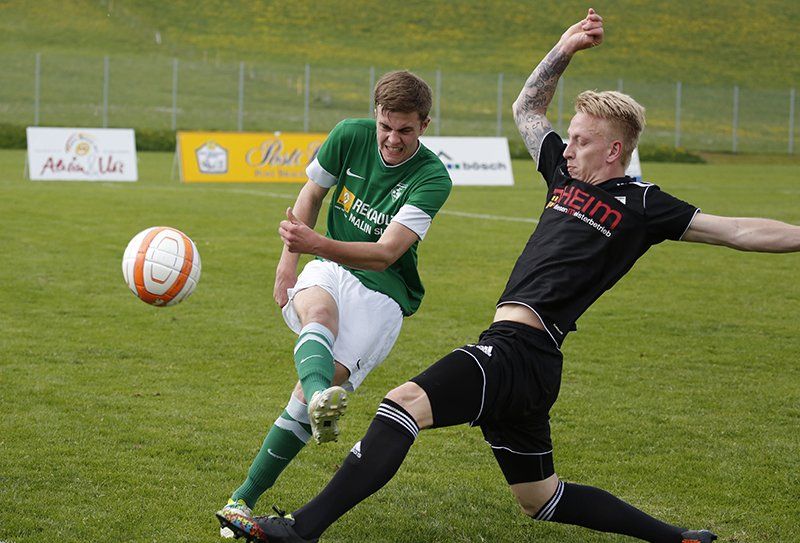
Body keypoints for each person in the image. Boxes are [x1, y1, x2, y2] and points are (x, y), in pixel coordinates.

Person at [247, 8, 800, 543]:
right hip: (532, 363)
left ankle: (301, 530)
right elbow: (528, 107)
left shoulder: (644, 204)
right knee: (542, 499)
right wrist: (564, 47)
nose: (568, 145)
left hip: (518, 349)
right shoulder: (563, 174)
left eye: (582, 140)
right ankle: (680, 539)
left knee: (401, 406)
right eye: (571, 136)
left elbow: (737, 230)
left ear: (615, 149)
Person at [215, 70, 453, 540]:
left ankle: (247, 490)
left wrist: (315, 243)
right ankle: (245, 493)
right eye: (385, 126)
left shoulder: (432, 177)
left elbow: (386, 253)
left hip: (384, 293)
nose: (392, 139)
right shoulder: (348, 135)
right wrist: (288, 262)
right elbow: (311, 194)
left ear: (424, 125)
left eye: (405, 130)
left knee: (306, 399)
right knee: (319, 316)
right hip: (331, 268)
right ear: (375, 115)